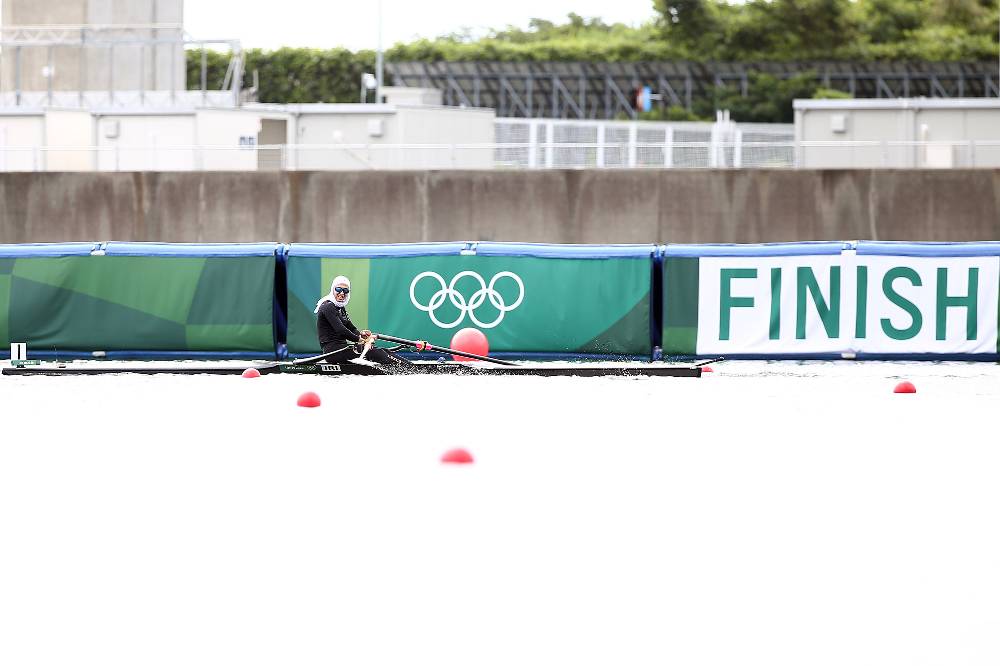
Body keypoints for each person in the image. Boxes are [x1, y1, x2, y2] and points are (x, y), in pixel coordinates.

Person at [314, 276, 407, 365]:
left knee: (381, 351)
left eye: (345, 290)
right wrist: (360, 340)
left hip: (342, 349)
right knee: (375, 353)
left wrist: (361, 335)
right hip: (333, 352)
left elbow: (351, 328)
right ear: (332, 289)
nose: (342, 293)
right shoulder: (327, 306)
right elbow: (341, 330)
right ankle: (408, 369)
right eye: (338, 289)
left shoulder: (340, 308)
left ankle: (410, 366)